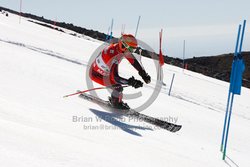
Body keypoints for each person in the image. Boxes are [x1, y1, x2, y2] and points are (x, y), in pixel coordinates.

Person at [89, 34, 151, 110]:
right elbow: (115, 78)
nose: (131, 52)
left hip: (103, 72)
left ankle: (116, 102)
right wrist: (131, 82)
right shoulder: (113, 55)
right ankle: (116, 105)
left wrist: (143, 73)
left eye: (133, 50)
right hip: (96, 74)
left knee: (118, 88)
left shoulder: (120, 49)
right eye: (131, 49)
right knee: (118, 88)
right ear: (123, 45)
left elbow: (133, 61)